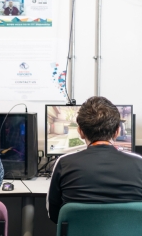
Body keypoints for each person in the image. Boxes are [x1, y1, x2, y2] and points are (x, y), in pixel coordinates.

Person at [47, 96, 142, 224]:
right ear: (117, 131)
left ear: (80, 131)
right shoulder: (139, 163)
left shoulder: (63, 163)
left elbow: (54, 214)